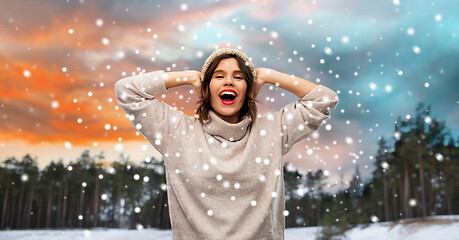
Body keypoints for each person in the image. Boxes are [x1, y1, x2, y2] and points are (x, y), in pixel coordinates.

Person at [114, 47, 339, 239]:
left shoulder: (273, 131)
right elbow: (127, 91)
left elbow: (324, 99)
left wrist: (269, 75)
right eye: (219, 76)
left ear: (248, 89)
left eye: (239, 77)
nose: (229, 81)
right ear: (206, 87)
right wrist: (189, 77)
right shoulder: (176, 132)